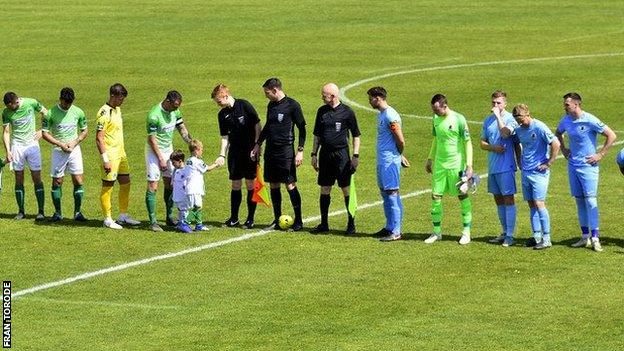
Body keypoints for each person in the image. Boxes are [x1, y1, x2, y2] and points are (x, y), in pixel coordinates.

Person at [555, 93, 616, 252]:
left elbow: (611, 135)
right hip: (573, 165)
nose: (565, 106)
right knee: (580, 200)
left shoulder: (589, 119)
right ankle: (584, 237)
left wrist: (600, 154)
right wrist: (563, 148)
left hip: (588, 166)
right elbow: (558, 133)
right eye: (565, 104)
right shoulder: (566, 120)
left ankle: (595, 237)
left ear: (577, 104)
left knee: (590, 201)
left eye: (567, 104)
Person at [250, 78, 306, 231]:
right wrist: (258, 144)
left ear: (275, 90)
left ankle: (299, 221)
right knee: (273, 184)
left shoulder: (292, 105)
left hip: (285, 151)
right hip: (271, 151)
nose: (266, 95)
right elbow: (268, 126)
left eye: (267, 92)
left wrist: (300, 151)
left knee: (290, 184)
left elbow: (302, 129)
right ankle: (276, 219)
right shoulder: (271, 105)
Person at [310, 83, 361, 235]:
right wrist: (313, 154)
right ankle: (324, 224)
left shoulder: (347, 112)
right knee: (325, 188)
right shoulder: (321, 111)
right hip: (325, 155)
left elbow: (356, 135)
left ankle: (351, 224)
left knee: (345, 189)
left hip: (342, 155)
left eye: (324, 95)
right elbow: (317, 135)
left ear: (332, 96)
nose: (322, 97)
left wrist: (355, 156)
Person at [424, 94, 474, 245]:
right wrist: (430, 158)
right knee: (435, 197)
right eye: (433, 109)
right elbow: (436, 140)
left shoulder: (459, 119)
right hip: (440, 165)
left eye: (437, 109)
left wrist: (469, 165)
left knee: (462, 196)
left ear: (444, 106)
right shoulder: (435, 119)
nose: (435, 112)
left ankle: (466, 232)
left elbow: (467, 142)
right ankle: (437, 232)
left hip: (456, 166)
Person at [211, 84, 262, 229]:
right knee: (235, 184)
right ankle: (234, 219)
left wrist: (257, 145)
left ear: (225, 96)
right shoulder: (222, 114)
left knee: (250, 184)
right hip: (235, 153)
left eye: (219, 101)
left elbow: (257, 125)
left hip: (250, 152)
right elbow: (225, 136)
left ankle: (250, 219)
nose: (218, 105)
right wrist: (222, 154)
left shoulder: (244, 105)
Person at [512, 104, 560, 250]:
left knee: (539, 203)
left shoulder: (539, 127)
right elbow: (516, 144)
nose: (520, 123)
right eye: (517, 120)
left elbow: (555, 143)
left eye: (521, 119)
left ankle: (547, 239)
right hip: (526, 171)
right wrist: (519, 160)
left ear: (528, 114)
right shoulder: (519, 130)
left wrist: (549, 162)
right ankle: (537, 236)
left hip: (539, 172)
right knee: (531, 204)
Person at [145, 90, 193, 232]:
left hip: (168, 150)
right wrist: (160, 158)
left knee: (171, 183)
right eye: (175, 106)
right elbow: (151, 139)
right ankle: (153, 221)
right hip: (154, 152)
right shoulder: (154, 115)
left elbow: (182, 128)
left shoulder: (175, 112)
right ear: (167, 101)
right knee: (153, 185)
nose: (176, 109)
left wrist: (191, 143)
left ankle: (169, 216)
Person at [96, 83, 141, 229]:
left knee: (126, 182)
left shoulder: (117, 109)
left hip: (121, 153)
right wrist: (105, 159)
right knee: (108, 185)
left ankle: (122, 215)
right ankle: (107, 219)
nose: (122, 101)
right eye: (121, 98)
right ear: (113, 95)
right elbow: (99, 138)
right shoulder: (104, 113)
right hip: (110, 155)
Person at [367, 86, 408, 242]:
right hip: (383, 160)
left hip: (389, 161)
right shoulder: (382, 115)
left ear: (378, 98)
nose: (370, 101)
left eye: (371, 98)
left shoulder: (390, 115)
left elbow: (400, 139)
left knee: (392, 193)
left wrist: (399, 155)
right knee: (385, 192)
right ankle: (389, 226)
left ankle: (396, 231)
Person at [42, 87, 88, 222]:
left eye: (69, 103)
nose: (67, 105)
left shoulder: (78, 111)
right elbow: (45, 133)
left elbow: (84, 130)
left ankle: (78, 213)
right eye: (65, 103)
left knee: (78, 180)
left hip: (74, 150)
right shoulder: (50, 113)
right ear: (60, 99)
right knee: (57, 181)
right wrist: (60, 144)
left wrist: (75, 142)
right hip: (58, 151)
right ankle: (57, 213)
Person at [480, 91, 520, 247]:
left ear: (505, 104)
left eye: (498, 103)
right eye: (493, 103)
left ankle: (510, 235)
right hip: (493, 167)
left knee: (508, 198)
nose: (495, 106)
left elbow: (505, 135)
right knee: (498, 199)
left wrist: (498, 117)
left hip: (507, 166)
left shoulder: (511, 119)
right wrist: (493, 148)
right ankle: (504, 232)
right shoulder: (487, 120)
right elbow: (482, 143)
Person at [2, 92, 48, 220]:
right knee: (18, 178)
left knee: (36, 177)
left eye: (11, 106)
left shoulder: (31, 102)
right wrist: (8, 150)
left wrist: (42, 131)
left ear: (16, 102)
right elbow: (6, 132)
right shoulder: (6, 112)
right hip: (17, 146)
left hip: (32, 145)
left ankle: (41, 211)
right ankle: (21, 211)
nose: (10, 109)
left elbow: (46, 113)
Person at [170, 144, 217, 233]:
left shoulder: (188, 161)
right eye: (201, 150)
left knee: (198, 206)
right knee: (197, 207)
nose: (202, 152)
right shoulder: (197, 161)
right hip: (195, 188)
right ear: (196, 150)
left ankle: (199, 225)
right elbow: (207, 168)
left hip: (192, 188)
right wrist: (216, 164)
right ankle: (184, 223)